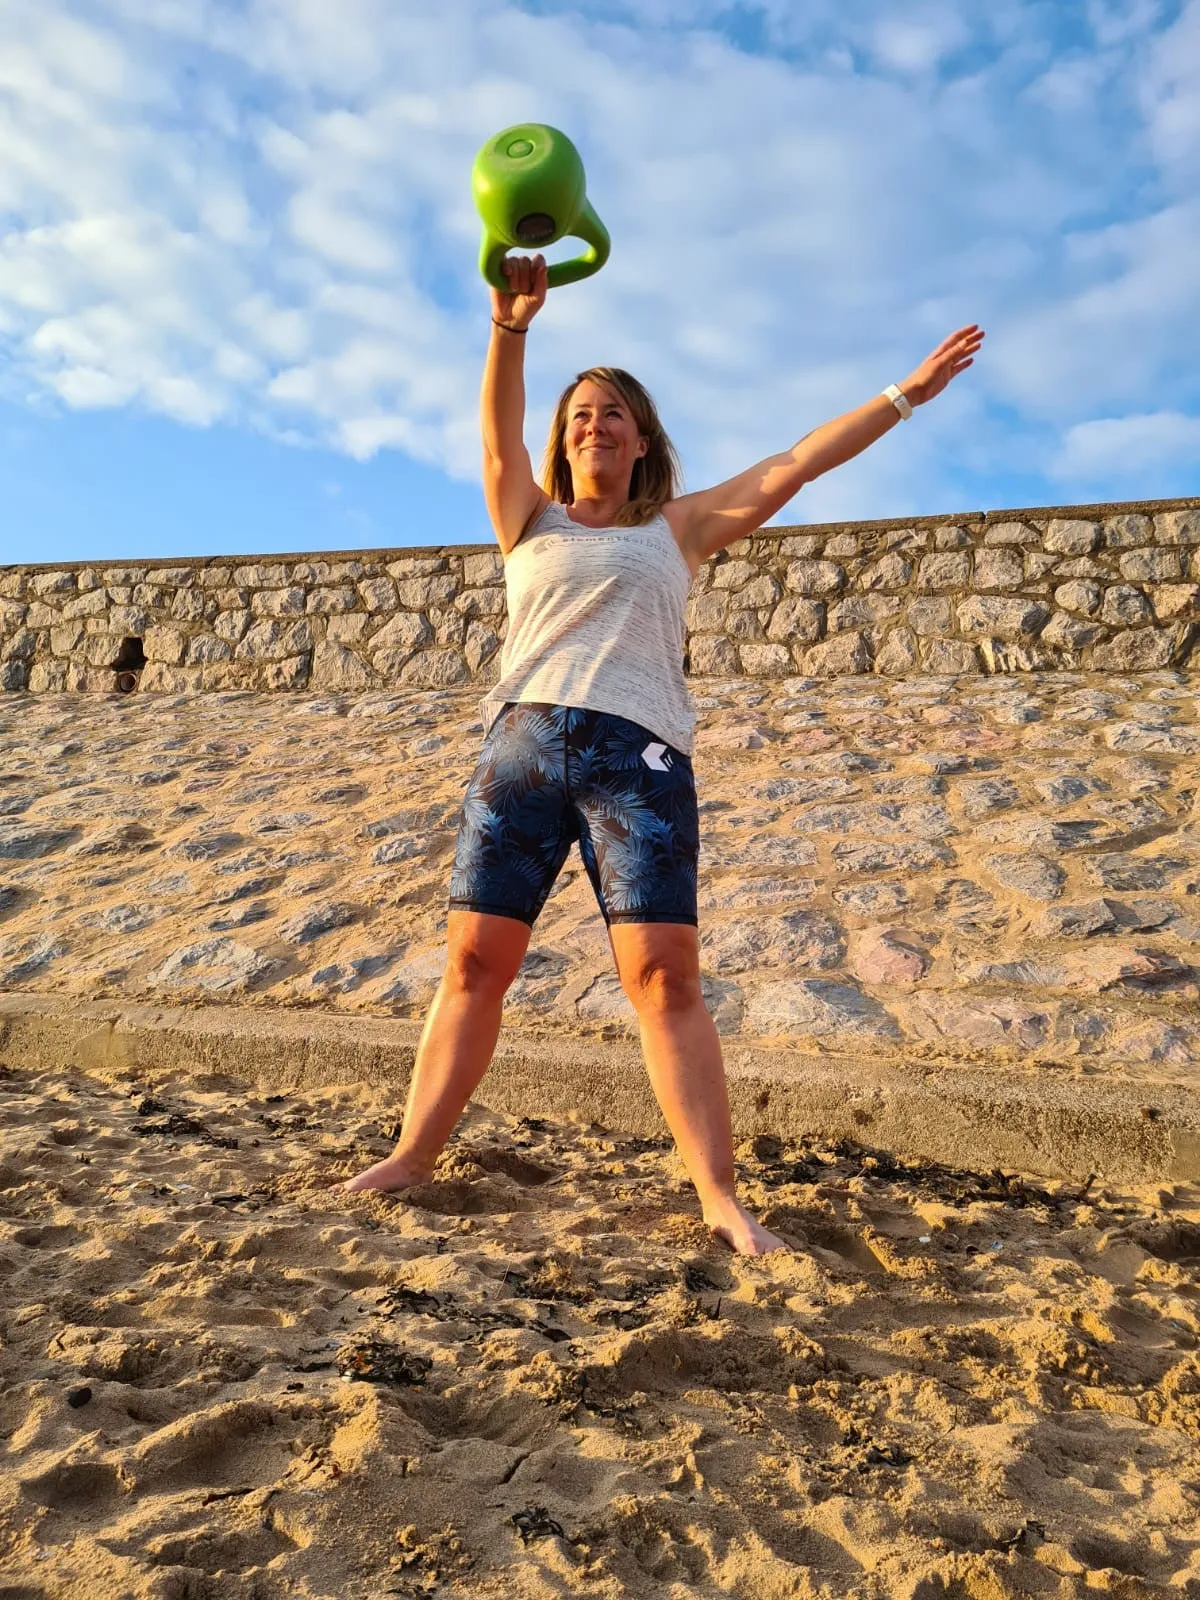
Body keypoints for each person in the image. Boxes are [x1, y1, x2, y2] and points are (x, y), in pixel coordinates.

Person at [345, 253, 984, 1255]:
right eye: (578, 416)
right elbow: (494, 428)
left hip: (635, 761)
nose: (591, 424)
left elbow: (796, 462)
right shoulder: (526, 517)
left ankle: (720, 1196)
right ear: (563, 442)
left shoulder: (678, 530)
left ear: (643, 441)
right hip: (520, 752)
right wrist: (509, 330)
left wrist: (907, 394)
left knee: (664, 981)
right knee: (473, 963)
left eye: (611, 413)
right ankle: (414, 1153)